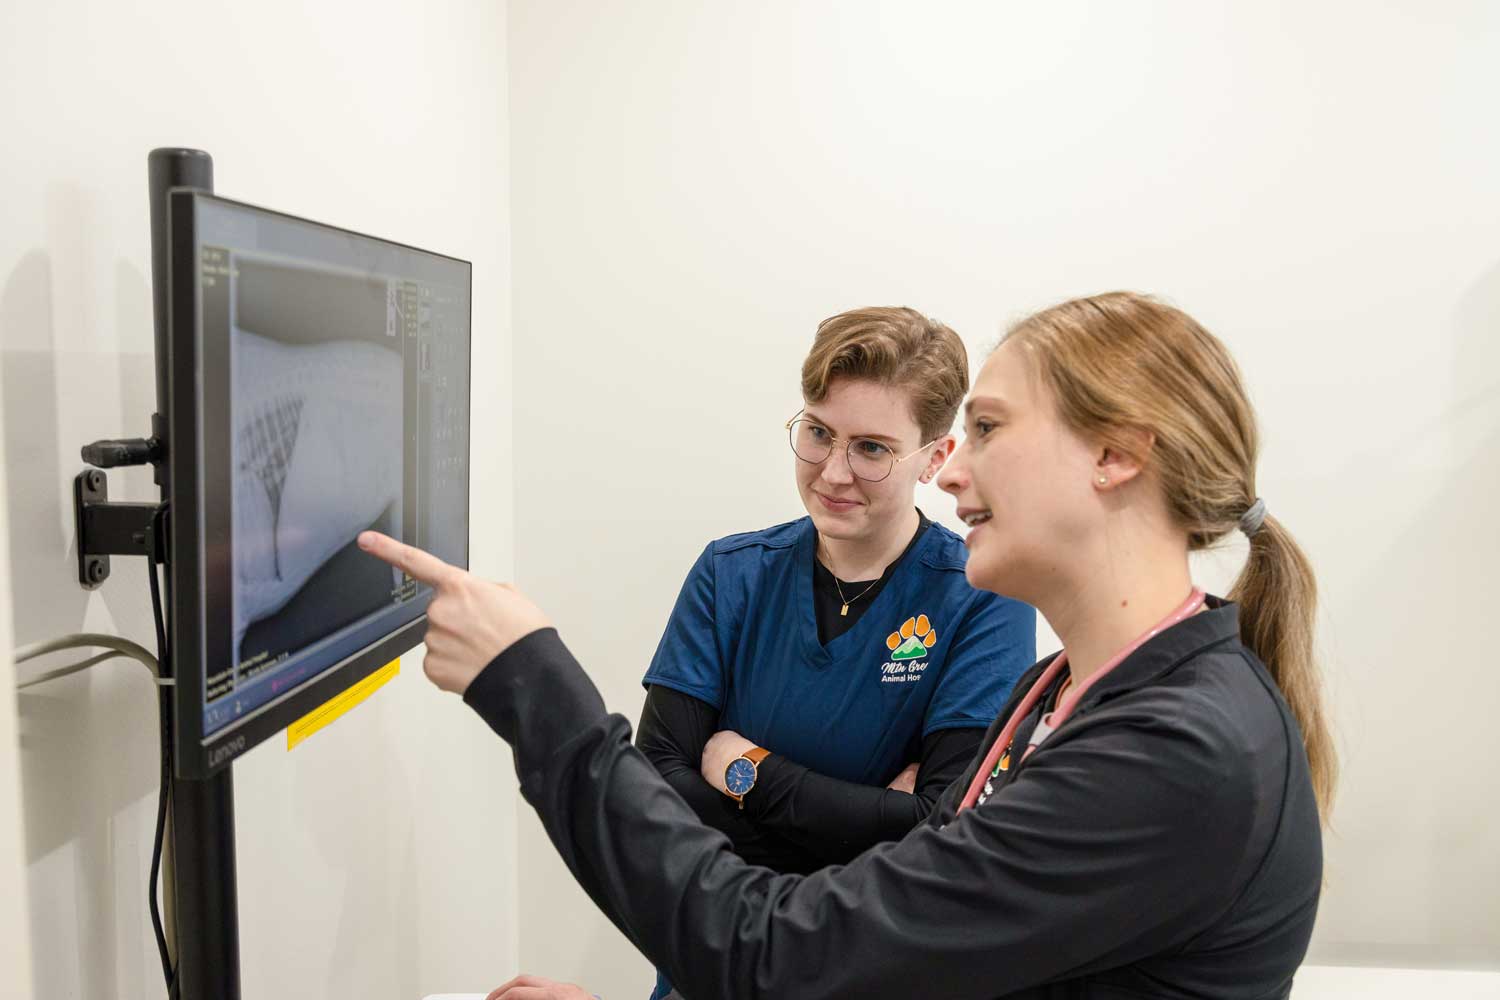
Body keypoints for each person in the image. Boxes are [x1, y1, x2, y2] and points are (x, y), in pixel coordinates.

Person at [362, 291, 1334, 999]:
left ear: (1117, 455)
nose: (952, 470)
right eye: (819, 434)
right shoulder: (1065, 690)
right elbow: (896, 936)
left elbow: (792, 952)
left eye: (985, 428)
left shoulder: (1178, 752)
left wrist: (531, 679)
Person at [636, 307, 1036, 998]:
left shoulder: (982, 598)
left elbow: (941, 835)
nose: (833, 471)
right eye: (819, 433)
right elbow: (655, 794)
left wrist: (747, 774)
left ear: (935, 458)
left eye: (872, 448)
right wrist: (863, 823)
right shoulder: (731, 574)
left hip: (870, 968)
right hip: (720, 958)